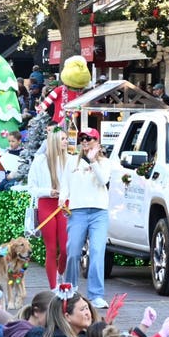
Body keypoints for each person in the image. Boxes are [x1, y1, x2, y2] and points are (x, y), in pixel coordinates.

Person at [60, 128, 111, 309]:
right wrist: (62, 201)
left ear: (97, 141)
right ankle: (70, 288)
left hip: (99, 212)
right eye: (82, 138)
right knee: (73, 251)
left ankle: (96, 294)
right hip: (77, 211)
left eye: (90, 138)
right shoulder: (71, 161)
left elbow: (104, 179)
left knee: (97, 251)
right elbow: (65, 184)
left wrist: (92, 160)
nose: (85, 141)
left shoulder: (104, 162)